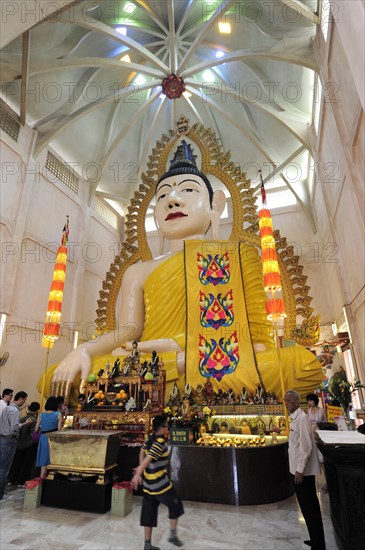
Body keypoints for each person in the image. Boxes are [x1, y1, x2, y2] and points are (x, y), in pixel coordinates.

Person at [48, 140, 323, 402]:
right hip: (158, 362)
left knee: (300, 364)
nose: (173, 200)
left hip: (214, 362)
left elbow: (257, 343)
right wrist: (84, 349)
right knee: (57, 379)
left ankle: (171, 368)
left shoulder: (240, 255)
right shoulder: (138, 271)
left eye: (188, 190)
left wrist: (179, 350)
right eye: (163, 195)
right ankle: (169, 370)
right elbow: (130, 331)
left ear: (216, 204)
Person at [131, 415, 184, 550]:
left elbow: (141, 452)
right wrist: (138, 473)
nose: (168, 429)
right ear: (161, 428)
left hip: (148, 486)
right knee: (175, 505)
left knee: (148, 514)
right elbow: (149, 458)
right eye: (167, 426)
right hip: (161, 485)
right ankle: (172, 535)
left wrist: (141, 472)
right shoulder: (159, 442)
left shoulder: (149, 439)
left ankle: (147, 545)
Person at [284, 390, 326, 550]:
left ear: (296, 402)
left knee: (310, 507)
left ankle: (318, 544)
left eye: (288, 401)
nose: (286, 404)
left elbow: (306, 447)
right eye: (285, 401)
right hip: (296, 469)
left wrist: (300, 470)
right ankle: (314, 538)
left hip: (303, 473)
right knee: (306, 508)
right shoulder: (295, 418)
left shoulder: (302, 419)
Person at [0, 391, 31, 500]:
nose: (24, 402)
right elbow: (14, 427)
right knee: (4, 468)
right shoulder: (13, 411)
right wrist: (25, 423)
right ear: (21, 399)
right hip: (9, 440)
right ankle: (1, 494)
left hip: (2, 438)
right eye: (24, 400)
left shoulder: (6, 408)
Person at [8, 401, 40, 487]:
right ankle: (21, 481)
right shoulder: (34, 420)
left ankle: (11, 479)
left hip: (19, 443)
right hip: (29, 444)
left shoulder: (22, 418)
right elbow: (33, 434)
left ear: (29, 408)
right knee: (26, 463)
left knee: (16, 462)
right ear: (37, 410)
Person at [35, 396, 62, 479]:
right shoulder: (58, 414)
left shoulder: (41, 415)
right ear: (56, 405)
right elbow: (59, 430)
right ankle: (51, 479)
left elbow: (36, 429)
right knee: (53, 459)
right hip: (53, 438)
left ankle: (42, 481)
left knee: (43, 461)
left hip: (43, 438)